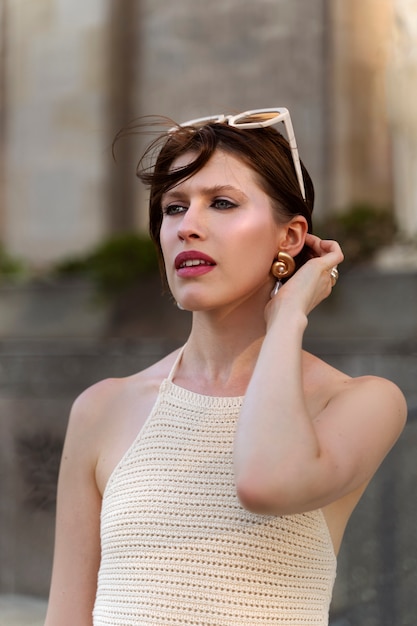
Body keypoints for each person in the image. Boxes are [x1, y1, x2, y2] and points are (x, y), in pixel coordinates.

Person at [45, 108, 407, 626]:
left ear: (290, 236)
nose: (188, 227)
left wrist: (287, 318)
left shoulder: (360, 401)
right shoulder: (103, 407)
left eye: (221, 203)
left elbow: (268, 482)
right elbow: (66, 617)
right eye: (173, 208)